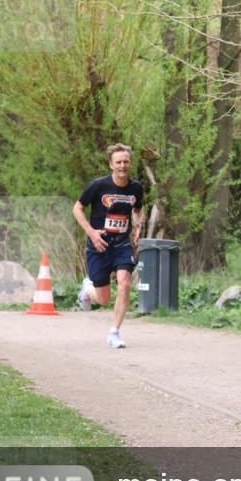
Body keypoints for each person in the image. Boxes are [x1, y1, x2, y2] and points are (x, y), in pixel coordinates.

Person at [73, 144, 145, 349]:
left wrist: (138, 225)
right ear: (111, 165)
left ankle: (114, 332)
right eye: (118, 162)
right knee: (103, 299)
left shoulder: (136, 188)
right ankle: (88, 289)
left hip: (122, 244)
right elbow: (77, 208)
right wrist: (91, 232)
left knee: (125, 283)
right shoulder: (98, 186)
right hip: (99, 245)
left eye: (126, 162)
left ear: (130, 164)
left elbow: (138, 210)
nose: (122, 165)